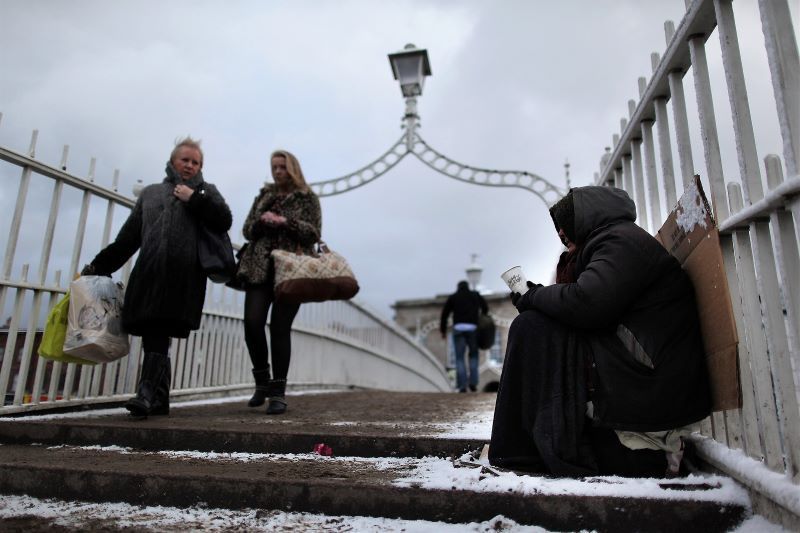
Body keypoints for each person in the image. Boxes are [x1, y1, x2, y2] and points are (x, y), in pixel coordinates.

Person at [489, 186, 712, 478]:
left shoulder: (621, 241)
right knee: (535, 326)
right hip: (641, 372)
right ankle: (524, 449)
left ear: (580, 223)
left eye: (566, 237)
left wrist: (533, 295)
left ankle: (521, 451)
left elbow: (588, 303)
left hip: (648, 381)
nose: (566, 246)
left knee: (532, 327)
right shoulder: (613, 241)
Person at [81, 137, 232, 418]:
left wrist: (194, 199)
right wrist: (97, 266)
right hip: (149, 272)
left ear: (201, 166)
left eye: (195, 161)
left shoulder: (206, 192)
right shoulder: (150, 194)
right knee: (154, 333)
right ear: (172, 161)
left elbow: (224, 220)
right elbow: (128, 239)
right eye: (184, 159)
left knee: (160, 330)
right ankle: (159, 399)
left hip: (184, 276)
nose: (189, 165)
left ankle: (145, 393)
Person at [234, 150, 321, 415]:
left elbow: (314, 233)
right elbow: (247, 229)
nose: (277, 171)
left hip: (291, 271)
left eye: (282, 166)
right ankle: (262, 381)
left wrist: (285, 222)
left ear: (292, 168)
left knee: (280, 328)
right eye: (274, 166)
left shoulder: (308, 198)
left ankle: (278, 393)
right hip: (260, 268)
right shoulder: (264, 195)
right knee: (252, 323)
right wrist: (262, 221)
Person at [440, 280, 489, 393]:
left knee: (459, 358)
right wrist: (481, 316)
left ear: (458, 287)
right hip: (473, 328)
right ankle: (473, 383)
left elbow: (444, 314)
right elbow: (485, 308)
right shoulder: (475, 295)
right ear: (468, 287)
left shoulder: (453, 297)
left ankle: (462, 386)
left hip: (458, 328)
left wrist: (443, 330)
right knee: (473, 356)